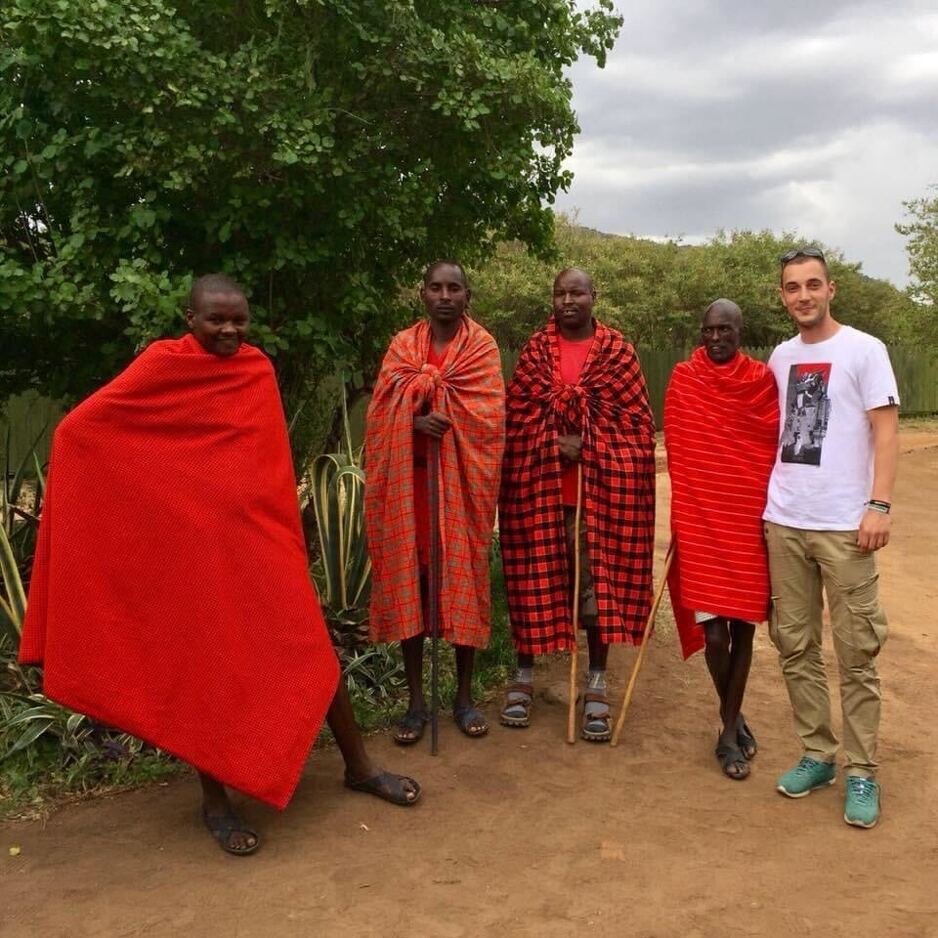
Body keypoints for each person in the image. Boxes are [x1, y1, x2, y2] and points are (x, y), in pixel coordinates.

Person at [19, 274, 420, 856]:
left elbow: (264, 468)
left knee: (309, 646)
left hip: (260, 542)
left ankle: (358, 767)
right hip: (197, 554)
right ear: (191, 319)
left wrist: (284, 533)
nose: (230, 330)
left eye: (239, 320)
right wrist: (172, 512)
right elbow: (83, 430)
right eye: (217, 320)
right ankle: (215, 801)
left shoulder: (255, 369)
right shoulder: (164, 365)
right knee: (208, 663)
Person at [765, 247, 898, 828]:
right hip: (786, 520)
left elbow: (886, 434)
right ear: (783, 296)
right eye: (792, 288)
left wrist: (879, 505)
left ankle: (862, 769)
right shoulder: (780, 356)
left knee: (857, 652)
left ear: (831, 289)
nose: (803, 296)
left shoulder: (865, 351)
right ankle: (818, 753)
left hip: (847, 527)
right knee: (795, 645)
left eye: (812, 285)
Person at [499, 268, 656, 741]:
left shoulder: (618, 353)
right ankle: (524, 676)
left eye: (577, 293)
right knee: (532, 576)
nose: (568, 300)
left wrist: (587, 441)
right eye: (560, 293)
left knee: (596, 587)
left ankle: (596, 682)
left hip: (598, 496)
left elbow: (637, 426)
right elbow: (518, 415)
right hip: (540, 492)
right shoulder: (534, 350)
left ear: (594, 296)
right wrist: (553, 441)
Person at [364, 261, 505, 744]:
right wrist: (412, 423)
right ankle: (416, 704)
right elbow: (381, 412)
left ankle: (463, 698)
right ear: (422, 293)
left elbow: (489, 419)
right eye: (435, 287)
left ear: (468, 295)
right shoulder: (403, 346)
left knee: (461, 577)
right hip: (412, 489)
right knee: (414, 581)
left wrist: (448, 420)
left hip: (461, 489)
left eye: (455, 288)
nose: (445, 295)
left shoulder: (482, 348)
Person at [663, 299, 779, 780]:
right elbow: (679, 450)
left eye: (725, 329)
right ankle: (733, 719)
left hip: (745, 520)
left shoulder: (760, 382)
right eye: (709, 329)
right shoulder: (684, 380)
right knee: (714, 635)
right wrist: (686, 515)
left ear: (740, 330)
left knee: (743, 631)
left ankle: (728, 731)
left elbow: (768, 446)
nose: (716, 338)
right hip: (701, 521)